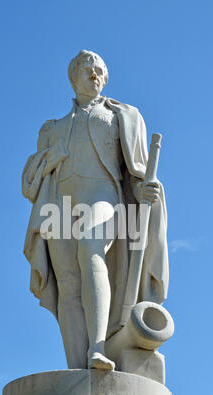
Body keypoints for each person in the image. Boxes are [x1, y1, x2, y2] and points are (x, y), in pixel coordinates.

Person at [22, 50, 169, 371]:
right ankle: (78, 368)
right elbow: (30, 181)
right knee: (68, 283)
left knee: (91, 251)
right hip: (59, 204)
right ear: (73, 76)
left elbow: (134, 167)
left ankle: (98, 348)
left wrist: (141, 188)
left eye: (100, 70)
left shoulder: (121, 116)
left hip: (103, 196)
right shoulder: (52, 128)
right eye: (88, 69)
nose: (95, 75)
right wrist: (51, 157)